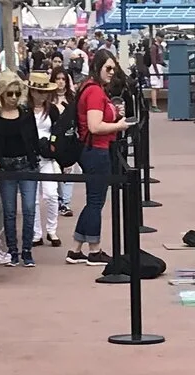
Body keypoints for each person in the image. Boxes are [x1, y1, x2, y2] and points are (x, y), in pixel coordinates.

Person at [68, 54, 127, 263]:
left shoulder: (90, 87)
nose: (112, 73)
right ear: (98, 67)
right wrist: (119, 126)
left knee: (93, 200)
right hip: (96, 150)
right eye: (108, 68)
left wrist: (114, 114)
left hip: (92, 149)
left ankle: (76, 248)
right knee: (96, 201)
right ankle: (94, 249)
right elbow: (95, 126)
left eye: (113, 69)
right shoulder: (94, 91)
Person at [0, 74, 40, 267]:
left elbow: (34, 140)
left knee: (30, 209)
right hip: (5, 168)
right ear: (2, 95)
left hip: (27, 166)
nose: (14, 97)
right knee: (9, 211)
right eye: (10, 94)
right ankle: (13, 251)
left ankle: (27, 251)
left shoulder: (26, 114)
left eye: (17, 93)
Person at [32, 74, 71, 248]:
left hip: (48, 155)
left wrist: (61, 158)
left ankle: (52, 230)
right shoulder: (24, 110)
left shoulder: (52, 110)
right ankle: (36, 233)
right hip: (30, 157)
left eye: (44, 92)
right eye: (38, 92)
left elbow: (59, 133)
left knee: (51, 194)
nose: (41, 95)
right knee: (32, 198)